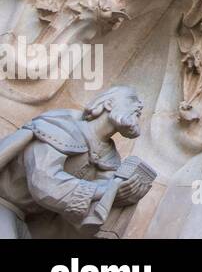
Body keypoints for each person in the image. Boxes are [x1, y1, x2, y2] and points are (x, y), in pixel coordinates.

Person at [0, 86, 154, 238]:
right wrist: (108, 191)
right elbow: (44, 183)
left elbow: (92, 213)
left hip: (28, 222)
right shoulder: (60, 127)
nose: (139, 106)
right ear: (108, 104)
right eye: (131, 100)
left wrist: (122, 196)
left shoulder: (110, 158)